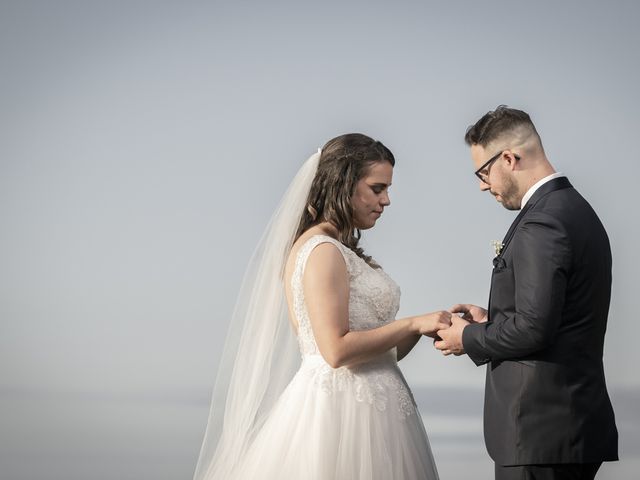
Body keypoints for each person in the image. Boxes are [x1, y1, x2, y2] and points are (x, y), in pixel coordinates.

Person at [193, 133, 447, 480]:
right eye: (377, 188)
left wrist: (430, 326)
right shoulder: (322, 251)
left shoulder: (337, 249)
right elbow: (335, 350)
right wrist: (413, 323)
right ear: (344, 184)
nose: (386, 200)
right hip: (342, 416)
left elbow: (381, 352)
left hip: (377, 408)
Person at [435, 106, 618, 480]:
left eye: (483, 172)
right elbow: (552, 314)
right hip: (567, 427)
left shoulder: (543, 220)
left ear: (509, 158)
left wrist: (466, 337)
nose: (483, 185)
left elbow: (535, 328)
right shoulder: (575, 208)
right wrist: (493, 319)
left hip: (540, 432)